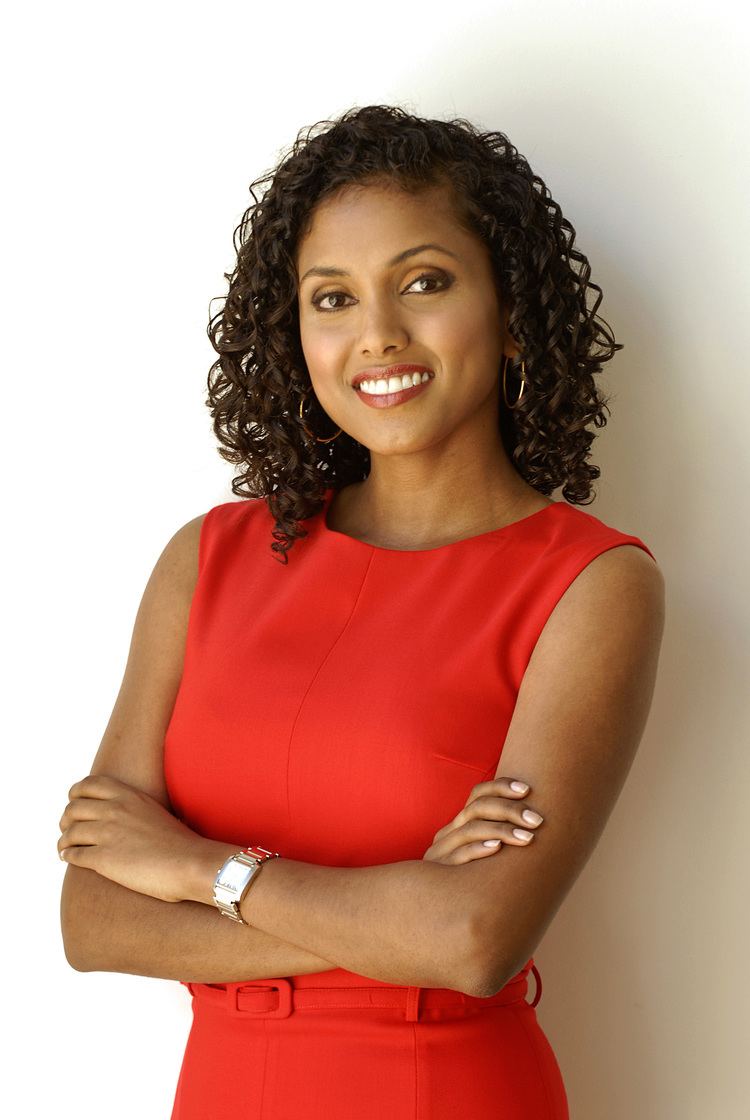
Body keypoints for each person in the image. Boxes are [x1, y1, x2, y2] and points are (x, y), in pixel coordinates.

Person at [58, 105, 665, 1119]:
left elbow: (473, 943)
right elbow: (92, 920)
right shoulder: (204, 561)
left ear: (512, 307)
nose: (378, 332)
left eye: (424, 282)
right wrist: (398, 907)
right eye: (331, 297)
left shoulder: (590, 582)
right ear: (293, 334)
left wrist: (199, 869)